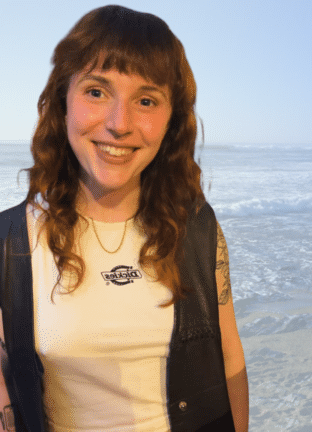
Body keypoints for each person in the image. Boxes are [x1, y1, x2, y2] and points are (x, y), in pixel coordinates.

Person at [0, 5, 248, 431]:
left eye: (146, 100)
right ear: (63, 102)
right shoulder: (8, 242)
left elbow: (229, 357)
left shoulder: (196, 229)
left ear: (171, 120)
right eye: (96, 92)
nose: (119, 124)